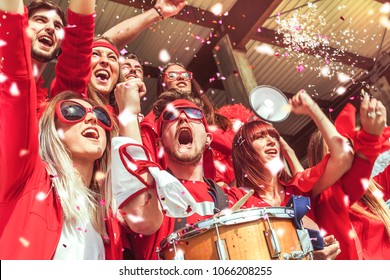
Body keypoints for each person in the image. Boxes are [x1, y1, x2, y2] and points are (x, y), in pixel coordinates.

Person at [0, 0, 122, 260]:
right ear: (21, 23)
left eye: (57, 25)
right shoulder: (12, 87)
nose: (50, 28)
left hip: (32, 213)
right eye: (40, 20)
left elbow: (77, 53)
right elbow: (14, 70)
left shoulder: (52, 107)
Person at [230, 90, 355, 259]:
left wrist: (312, 109)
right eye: (260, 137)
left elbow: (343, 156)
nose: (271, 140)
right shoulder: (235, 199)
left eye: (274, 137)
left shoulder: (299, 187)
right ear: (244, 151)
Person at [308, 94, 390, 259]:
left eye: (348, 143)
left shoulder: (371, 190)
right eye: (335, 146)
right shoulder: (322, 200)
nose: (346, 150)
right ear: (320, 159)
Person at [141, 62, 236, 185]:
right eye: (172, 75)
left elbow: (235, 146)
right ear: (163, 84)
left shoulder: (215, 118)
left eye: (185, 75)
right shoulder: (152, 120)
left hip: (225, 189)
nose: (180, 77)